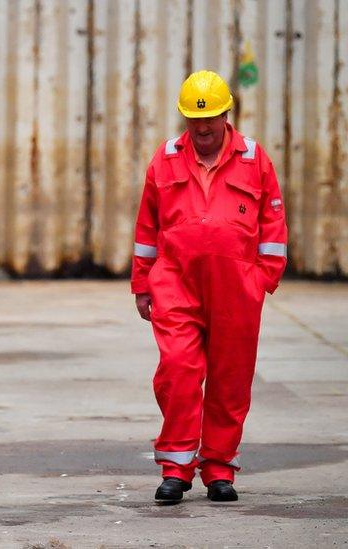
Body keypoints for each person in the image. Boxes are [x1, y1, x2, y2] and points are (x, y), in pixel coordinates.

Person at [132, 70, 287, 504]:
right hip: (176, 283)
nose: (202, 128)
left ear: (226, 115)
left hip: (237, 287)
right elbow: (147, 226)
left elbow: (272, 221)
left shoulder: (255, 159)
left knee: (230, 378)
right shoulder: (164, 159)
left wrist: (263, 276)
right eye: (193, 119)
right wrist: (142, 284)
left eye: (211, 118)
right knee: (178, 370)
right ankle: (176, 468)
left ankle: (219, 468)